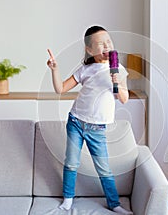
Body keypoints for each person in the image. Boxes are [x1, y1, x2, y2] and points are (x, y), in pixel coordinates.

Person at [47, 26, 133, 214]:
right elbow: (60, 89)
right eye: (101, 44)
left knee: (104, 169)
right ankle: (68, 199)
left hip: (97, 128)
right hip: (76, 122)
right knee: (71, 163)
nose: (107, 46)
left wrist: (115, 80)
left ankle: (114, 204)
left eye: (109, 42)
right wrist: (55, 69)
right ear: (89, 50)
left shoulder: (119, 69)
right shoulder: (85, 69)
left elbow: (124, 99)